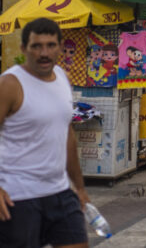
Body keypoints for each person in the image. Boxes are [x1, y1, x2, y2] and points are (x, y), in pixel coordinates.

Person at [0, 18, 90, 248]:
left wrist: (79, 186)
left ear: (60, 47)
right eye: (36, 46)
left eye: (50, 45)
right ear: (23, 49)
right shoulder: (10, 84)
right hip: (18, 196)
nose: (44, 53)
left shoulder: (61, 77)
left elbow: (66, 133)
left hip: (58, 191)